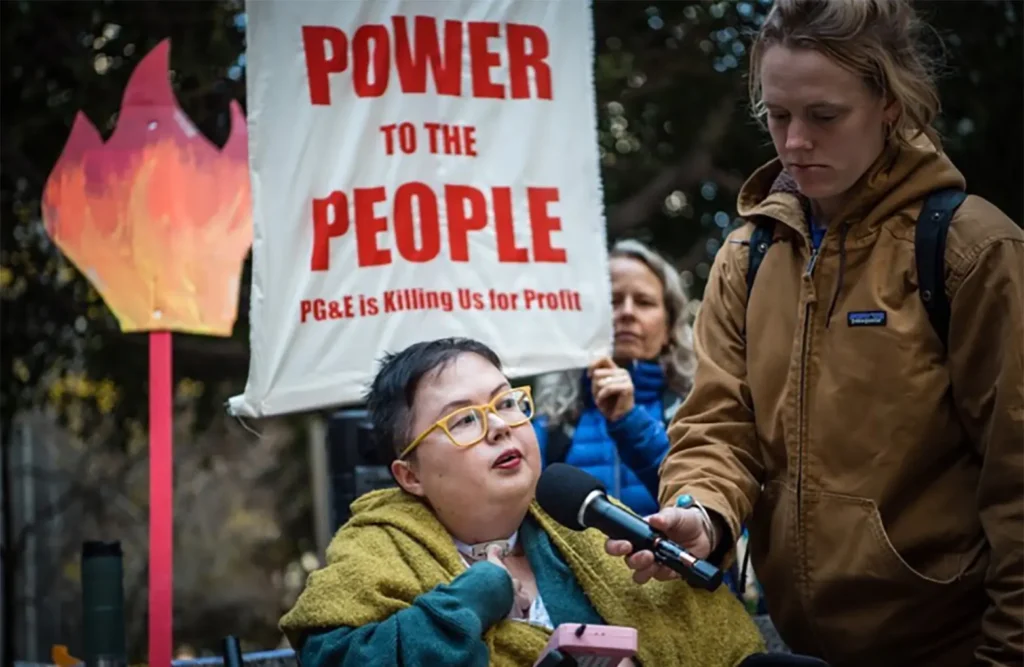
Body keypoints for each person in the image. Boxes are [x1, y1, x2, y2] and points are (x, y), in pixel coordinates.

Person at [606, 2, 1023, 667]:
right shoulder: (747, 254)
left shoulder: (972, 248)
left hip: (952, 646)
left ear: (889, 102)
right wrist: (701, 511)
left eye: (824, 116)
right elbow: (717, 425)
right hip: (790, 648)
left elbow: (1016, 479)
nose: (795, 141)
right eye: (776, 116)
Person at [280, 337, 766, 667]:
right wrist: (476, 596)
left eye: (506, 402)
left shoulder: (591, 529)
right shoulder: (377, 550)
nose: (498, 426)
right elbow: (334, 657)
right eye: (464, 420)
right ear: (411, 475)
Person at [533, 239, 695, 517]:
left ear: (669, 326)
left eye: (644, 302)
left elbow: (715, 510)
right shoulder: (552, 423)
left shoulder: (700, 411)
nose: (627, 312)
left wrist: (630, 422)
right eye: (612, 301)